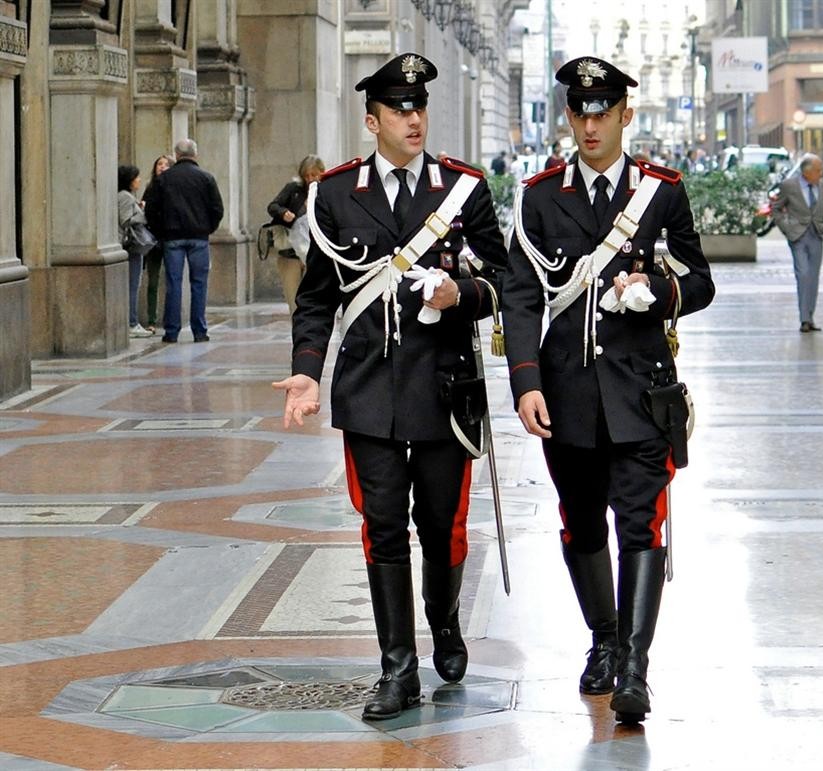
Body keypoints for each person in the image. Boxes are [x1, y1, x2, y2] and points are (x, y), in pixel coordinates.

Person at [271, 53, 507, 722]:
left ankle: (446, 620)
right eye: (400, 108)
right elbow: (317, 296)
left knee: (441, 526)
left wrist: (459, 291)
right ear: (372, 120)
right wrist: (306, 370)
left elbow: (504, 281)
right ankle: (397, 669)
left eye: (420, 107)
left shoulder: (463, 189)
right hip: (370, 388)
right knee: (382, 529)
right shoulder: (338, 194)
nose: (413, 117)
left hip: (443, 387)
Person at [502, 56, 715, 724]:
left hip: (642, 392)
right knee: (583, 520)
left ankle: (634, 668)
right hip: (566, 397)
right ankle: (603, 635)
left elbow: (701, 279)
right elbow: (520, 295)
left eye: (603, 112)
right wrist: (525, 382)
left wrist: (660, 294)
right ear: (568, 117)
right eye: (579, 112)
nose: (590, 125)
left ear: (626, 114)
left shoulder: (662, 191)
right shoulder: (541, 197)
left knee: (639, 522)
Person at [143, 138, 224, 343]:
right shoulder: (206, 178)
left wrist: (161, 231)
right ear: (195, 154)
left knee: (173, 284)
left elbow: (152, 209)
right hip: (199, 237)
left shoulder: (163, 179)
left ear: (176, 155)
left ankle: (172, 331)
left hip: (172, 238)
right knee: (199, 284)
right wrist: (207, 228)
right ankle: (199, 330)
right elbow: (217, 209)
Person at [772, 153, 823, 333]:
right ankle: (804, 318)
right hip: (797, 236)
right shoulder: (789, 186)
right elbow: (776, 209)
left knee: (813, 277)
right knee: (803, 274)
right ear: (807, 172)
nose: (821, 173)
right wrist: (786, 228)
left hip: (817, 235)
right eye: (818, 170)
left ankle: (810, 317)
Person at [267, 155, 325, 314]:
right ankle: (298, 334)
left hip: (315, 256)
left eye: (314, 175)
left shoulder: (326, 192)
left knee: (314, 301)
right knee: (294, 303)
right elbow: (273, 206)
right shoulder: (293, 189)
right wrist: (283, 212)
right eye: (306, 176)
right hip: (290, 254)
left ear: (321, 173)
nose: (310, 179)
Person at [117, 165, 155, 338]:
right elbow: (125, 220)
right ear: (130, 180)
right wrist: (144, 213)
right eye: (137, 177)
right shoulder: (125, 196)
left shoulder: (126, 196)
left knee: (134, 284)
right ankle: (132, 322)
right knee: (133, 285)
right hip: (132, 246)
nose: (139, 180)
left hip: (131, 246)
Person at [142, 155, 174, 332]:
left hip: (169, 238)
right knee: (152, 280)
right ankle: (152, 320)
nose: (162, 167)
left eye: (166, 164)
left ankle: (169, 318)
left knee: (172, 280)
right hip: (153, 240)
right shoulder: (150, 188)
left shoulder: (175, 188)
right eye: (159, 164)